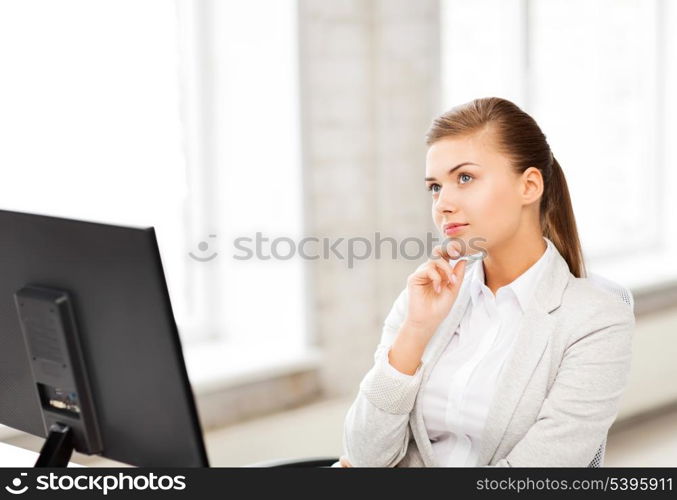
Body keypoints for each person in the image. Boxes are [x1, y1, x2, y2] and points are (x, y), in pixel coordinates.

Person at [335, 97, 635, 467]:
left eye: (465, 178)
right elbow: (363, 456)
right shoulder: (424, 299)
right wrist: (414, 331)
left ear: (529, 186)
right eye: (435, 187)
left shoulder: (597, 321)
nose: (443, 203)